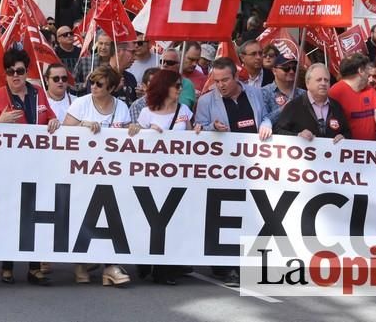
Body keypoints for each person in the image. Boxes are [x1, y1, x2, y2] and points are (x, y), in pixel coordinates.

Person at [194, 56, 273, 287]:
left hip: (253, 167)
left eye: (225, 80)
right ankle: (226, 266)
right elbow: (198, 130)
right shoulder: (207, 101)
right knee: (227, 216)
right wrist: (212, 128)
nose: (220, 85)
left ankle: (243, 263)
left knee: (249, 214)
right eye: (216, 81)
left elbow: (265, 115)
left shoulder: (255, 93)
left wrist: (266, 125)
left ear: (236, 77)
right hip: (224, 168)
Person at [0, 49, 54, 286]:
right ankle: (7, 266)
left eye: (20, 71)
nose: (15, 76)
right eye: (11, 72)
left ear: (26, 72)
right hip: (8, 167)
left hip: (37, 165)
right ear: (5, 73)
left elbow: (50, 119)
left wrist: (53, 121)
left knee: (33, 215)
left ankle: (34, 268)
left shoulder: (39, 94)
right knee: (10, 215)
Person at [62, 65, 132, 286]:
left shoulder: (121, 107)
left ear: (111, 87)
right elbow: (65, 132)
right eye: (92, 82)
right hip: (82, 170)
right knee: (85, 215)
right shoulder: (81, 104)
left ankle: (109, 266)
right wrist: (83, 125)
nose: (93, 87)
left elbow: (128, 136)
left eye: (99, 84)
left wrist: (136, 130)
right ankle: (82, 263)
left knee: (110, 217)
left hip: (111, 171)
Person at [130, 68, 193, 285]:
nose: (180, 89)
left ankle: (165, 269)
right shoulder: (147, 112)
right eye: (177, 85)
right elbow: (137, 139)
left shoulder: (184, 110)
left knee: (172, 220)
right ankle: (145, 260)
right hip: (152, 175)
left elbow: (192, 137)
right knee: (150, 219)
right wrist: (145, 132)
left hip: (177, 174)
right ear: (165, 87)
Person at [328, 54, 376, 150]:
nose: (369, 73)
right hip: (347, 151)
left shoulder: (370, 90)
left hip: (371, 150)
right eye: (367, 69)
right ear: (361, 71)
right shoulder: (335, 92)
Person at [275, 63, 348, 141]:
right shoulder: (294, 106)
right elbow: (278, 131)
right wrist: (298, 135)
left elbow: (347, 132)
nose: (323, 83)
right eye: (319, 80)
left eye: (326, 80)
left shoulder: (336, 107)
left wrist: (344, 137)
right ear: (307, 83)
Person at [261, 54, 305, 119]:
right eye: (286, 68)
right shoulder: (264, 93)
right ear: (274, 71)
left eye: (294, 68)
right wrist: (284, 109)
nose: (291, 71)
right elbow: (262, 120)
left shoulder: (303, 94)